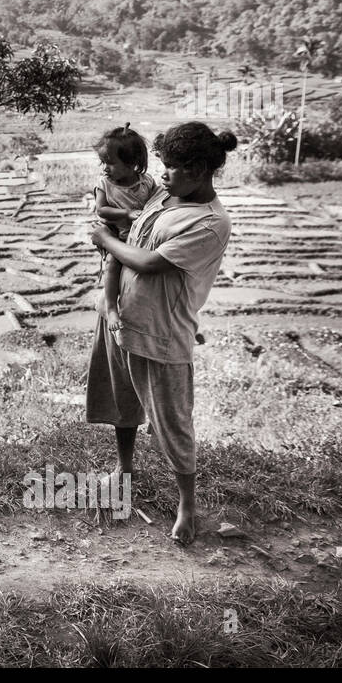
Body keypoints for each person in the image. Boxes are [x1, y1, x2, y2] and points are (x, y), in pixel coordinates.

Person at [86, 122, 236, 546]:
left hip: (162, 332)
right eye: (164, 166)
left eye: (174, 168)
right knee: (123, 402)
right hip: (120, 319)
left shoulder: (209, 223)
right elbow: (128, 220)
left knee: (172, 420)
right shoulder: (167, 195)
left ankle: (187, 505)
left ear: (201, 170)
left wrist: (102, 238)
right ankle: (125, 467)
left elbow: (150, 263)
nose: (164, 174)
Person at [93, 122, 158, 240]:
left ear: (131, 162)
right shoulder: (105, 184)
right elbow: (101, 210)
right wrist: (126, 213)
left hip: (146, 236)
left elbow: (156, 203)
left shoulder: (147, 182)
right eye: (103, 162)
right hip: (120, 238)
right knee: (111, 260)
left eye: (111, 163)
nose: (105, 168)